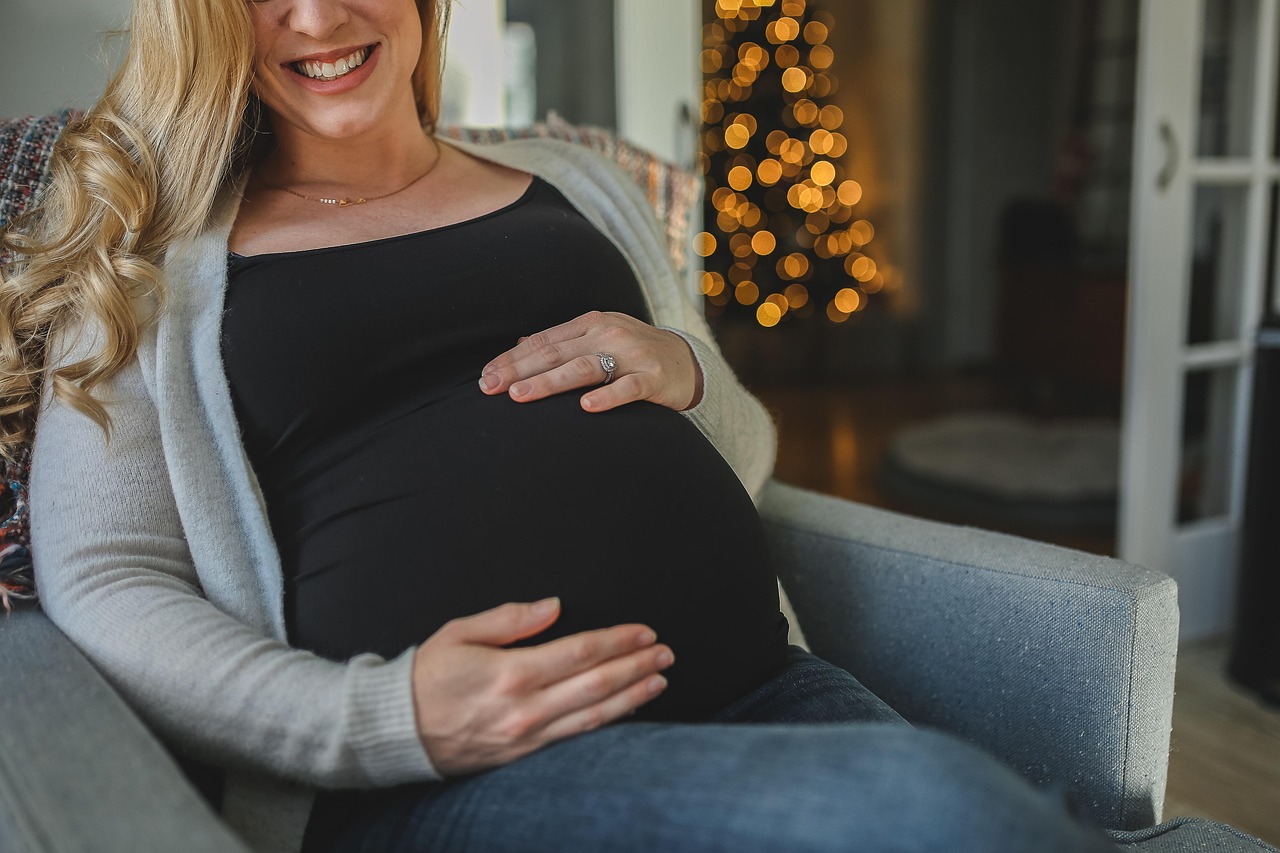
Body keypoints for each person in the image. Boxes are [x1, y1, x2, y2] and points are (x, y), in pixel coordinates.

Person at [1, 1, 1265, 852]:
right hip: (450, 776)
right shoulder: (145, 250)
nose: (320, 16)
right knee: (935, 807)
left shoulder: (577, 183)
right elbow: (105, 576)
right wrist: (378, 719)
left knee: (982, 817)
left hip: (767, 684)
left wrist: (683, 370)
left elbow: (742, 446)